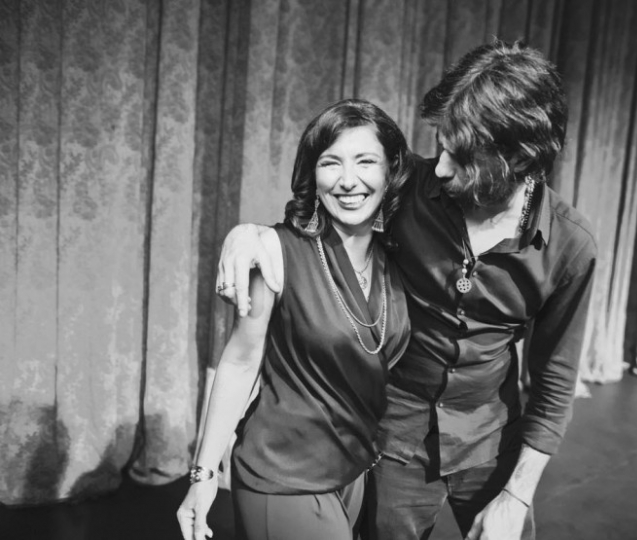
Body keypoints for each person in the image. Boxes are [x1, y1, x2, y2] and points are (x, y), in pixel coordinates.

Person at [216, 40, 597, 540]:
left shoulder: (570, 246)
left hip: (491, 440)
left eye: (461, 157)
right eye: (441, 146)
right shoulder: (410, 187)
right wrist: (250, 234)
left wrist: (516, 495)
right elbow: (325, 211)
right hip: (396, 439)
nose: (440, 167)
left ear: (516, 160)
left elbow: (554, 384)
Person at [177, 99, 412, 540]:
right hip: (283, 474)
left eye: (365, 161)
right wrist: (203, 475)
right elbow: (240, 362)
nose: (348, 180)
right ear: (312, 174)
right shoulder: (275, 252)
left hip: (353, 471)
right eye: (330, 163)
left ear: (390, 171)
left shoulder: (394, 259)